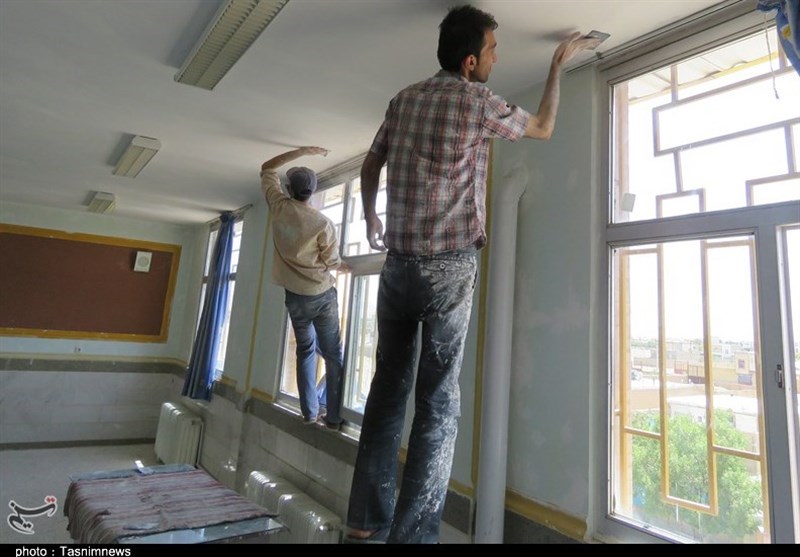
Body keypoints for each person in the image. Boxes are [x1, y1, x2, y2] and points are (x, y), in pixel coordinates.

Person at [346, 5, 601, 544]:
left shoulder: (403, 99)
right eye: (492, 51)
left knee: (388, 389)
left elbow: (370, 165)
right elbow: (543, 127)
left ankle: (365, 521)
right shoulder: (477, 102)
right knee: (437, 405)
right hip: (447, 270)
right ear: (469, 62)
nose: (495, 59)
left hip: (398, 267)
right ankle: (412, 537)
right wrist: (557, 64)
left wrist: (370, 216)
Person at [260, 146, 346, 430]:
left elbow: (267, 167)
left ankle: (309, 412)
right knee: (333, 355)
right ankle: (333, 418)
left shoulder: (279, 207)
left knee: (305, 351)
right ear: (313, 191)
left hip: (295, 297)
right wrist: (342, 265)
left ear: (288, 189)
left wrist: (302, 151)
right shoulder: (322, 223)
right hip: (320, 294)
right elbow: (331, 260)